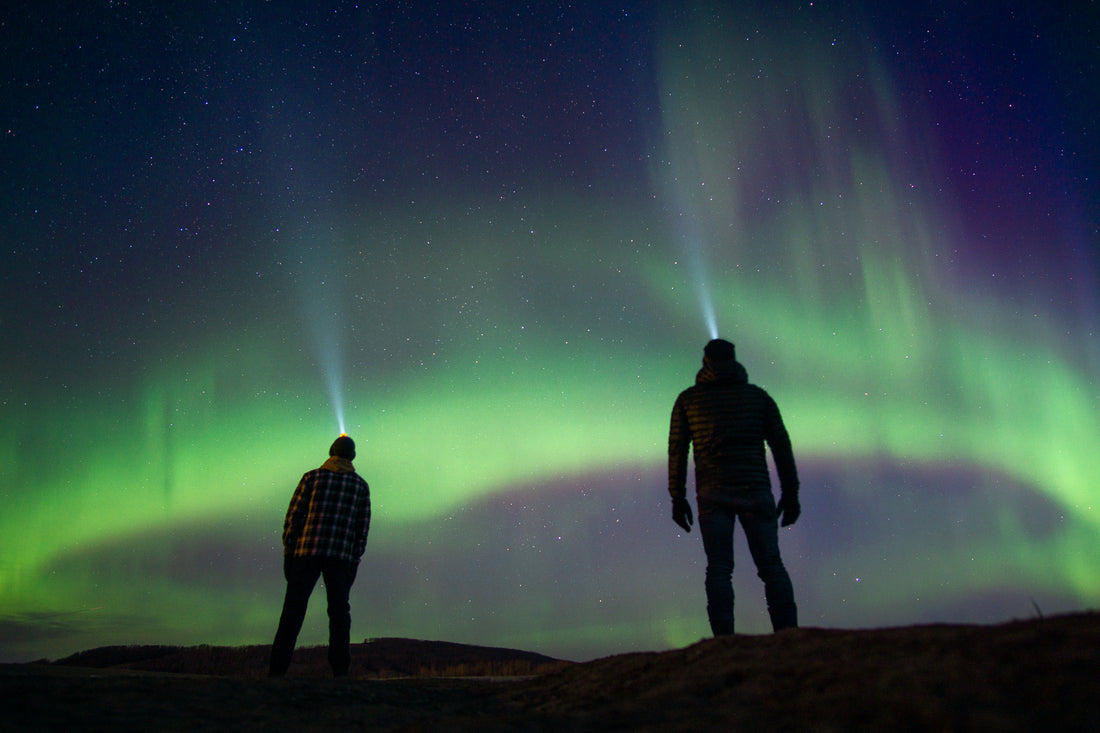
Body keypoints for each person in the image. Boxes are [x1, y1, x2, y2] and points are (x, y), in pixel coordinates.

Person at [668, 338, 800, 635]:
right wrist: (791, 492)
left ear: (706, 361)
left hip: (712, 492)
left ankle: (723, 642)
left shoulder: (688, 400)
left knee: (718, 568)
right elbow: (781, 445)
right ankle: (789, 636)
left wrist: (678, 497)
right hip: (755, 489)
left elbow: (677, 449)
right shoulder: (758, 398)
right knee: (771, 566)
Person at [269, 434, 371, 677]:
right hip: (340, 557)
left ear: (330, 452)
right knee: (339, 614)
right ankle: (340, 670)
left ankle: (277, 669)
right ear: (352, 456)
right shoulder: (360, 486)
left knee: (292, 611)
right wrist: (354, 560)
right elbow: (361, 529)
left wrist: (289, 551)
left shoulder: (312, 477)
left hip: (306, 552)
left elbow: (294, 517)